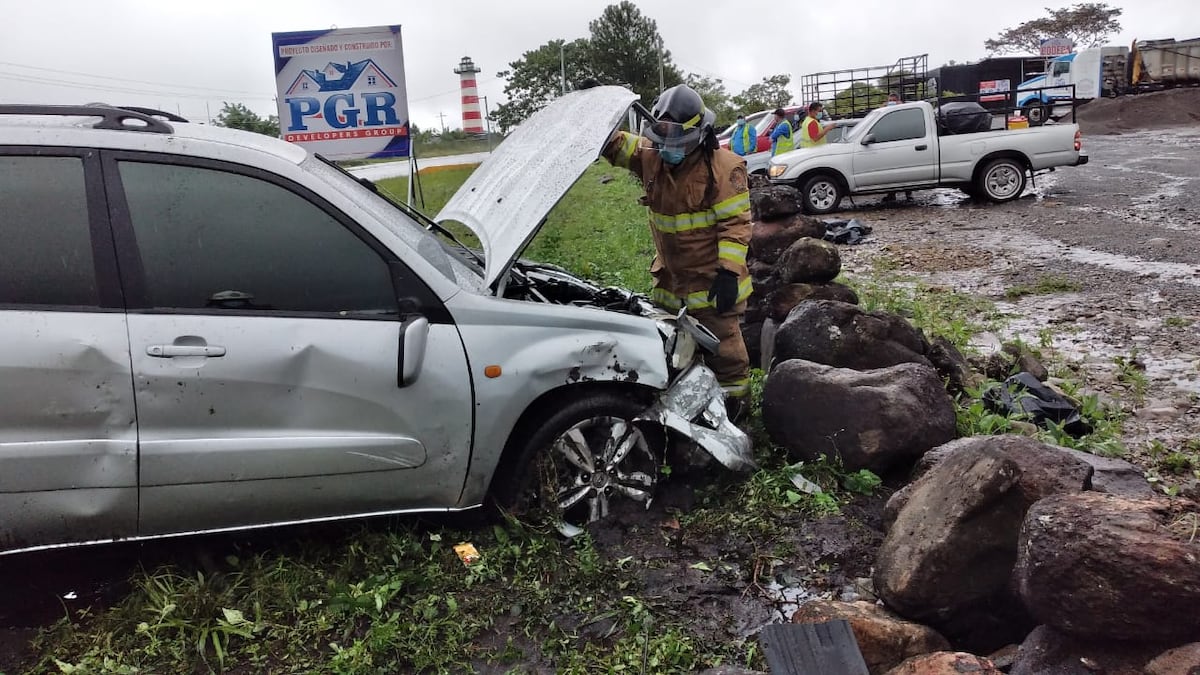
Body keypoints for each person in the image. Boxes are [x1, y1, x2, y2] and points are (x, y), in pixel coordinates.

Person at [602, 84, 753, 419]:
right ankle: (684, 408)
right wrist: (598, 104)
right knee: (671, 344)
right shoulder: (651, 155)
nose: (669, 149)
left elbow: (735, 225)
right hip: (671, 280)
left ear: (701, 132)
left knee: (725, 349)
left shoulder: (725, 169)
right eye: (662, 139)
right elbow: (612, 144)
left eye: (678, 141)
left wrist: (728, 272)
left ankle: (735, 411)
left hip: (712, 281)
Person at [880, 92, 913, 202]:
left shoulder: (903, 112)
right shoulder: (886, 113)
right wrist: (883, 107)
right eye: (890, 101)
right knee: (891, 171)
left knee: (905, 170)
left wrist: (902, 106)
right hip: (889, 145)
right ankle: (891, 194)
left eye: (894, 101)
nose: (892, 103)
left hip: (903, 145)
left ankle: (908, 193)